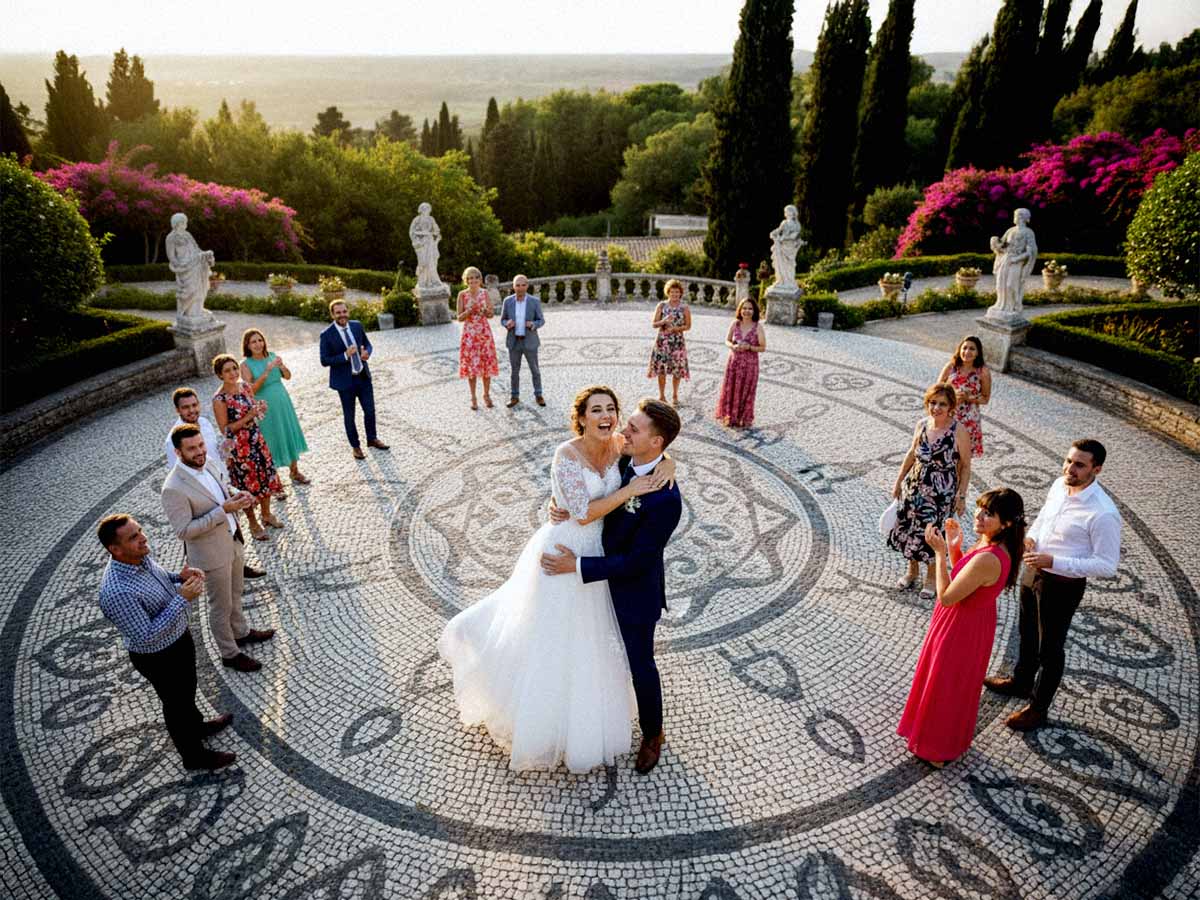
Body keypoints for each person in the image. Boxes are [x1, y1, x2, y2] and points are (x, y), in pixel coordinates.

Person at [438, 387, 676, 773]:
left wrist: (671, 463)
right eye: (598, 410)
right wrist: (623, 491)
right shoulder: (576, 454)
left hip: (617, 574)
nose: (612, 419)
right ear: (580, 417)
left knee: (633, 658)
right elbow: (582, 512)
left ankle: (653, 733)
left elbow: (655, 453)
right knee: (556, 638)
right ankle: (549, 714)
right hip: (567, 551)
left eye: (613, 411)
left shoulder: (624, 450)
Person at [542, 398, 684, 775]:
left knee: (641, 664)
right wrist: (558, 505)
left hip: (633, 590)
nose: (623, 431)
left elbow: (638, 561)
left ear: (656, 443)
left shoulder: (667, 498)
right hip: (593, 579)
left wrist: (578, 566)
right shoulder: (621, 457)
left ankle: (653, 733)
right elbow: (585, 488)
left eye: (633, 429)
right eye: (629, 424)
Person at [984, 439, 1121, 732]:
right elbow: (1044, 518)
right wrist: (1032, 536)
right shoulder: (1059, 485)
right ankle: (1021, 682)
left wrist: (1055, 561)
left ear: (1097, 469)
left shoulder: (1103, 513)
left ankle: (1038, 708)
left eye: (1080, 465)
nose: (1070, 468)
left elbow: (1107, 565)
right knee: (1027, 632)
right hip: (1035, 570)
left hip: (1062, 585)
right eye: (1069, 461)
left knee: (1051, 649)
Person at [97, 513, 237, 771]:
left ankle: (197, 727)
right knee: (176, 705)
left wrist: (178, 577)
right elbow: (146, 635)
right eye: (133, 537)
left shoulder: (138, 557)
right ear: (114, 549)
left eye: (139, 531)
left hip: (178, 639)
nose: (143, 538)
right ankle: (193, 756)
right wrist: (182, 598)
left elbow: (158, 580)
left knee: (187, 692)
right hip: (158, 657)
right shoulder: (117, 591)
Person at [897, 489, 1025, 767]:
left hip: (961, 625)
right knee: (951, 682)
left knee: (946, 684)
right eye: (980, 508)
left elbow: (947, 595)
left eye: (988, 513)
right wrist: (955, 547)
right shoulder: (991, 543)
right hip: (970, 619)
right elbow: (965, 580)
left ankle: (937, 748)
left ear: (1007, 523)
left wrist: (940, 554)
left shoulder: (989, 557)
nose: (979, 515)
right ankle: (944, 739)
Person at [161, 424, 276, 673]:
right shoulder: (173, 487)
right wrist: (222, 511)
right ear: (178, 452)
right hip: (210, 554)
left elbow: (224, 489)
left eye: (201, 445)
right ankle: (229, 653)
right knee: (220, 605)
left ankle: (241, 632)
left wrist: (238, 494)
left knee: (236, 594)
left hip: (233, 540)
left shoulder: (210, 462)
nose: (199, 451)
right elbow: (183, 531)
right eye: (191, 449)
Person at [164, 387, 266, 580]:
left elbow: (213, 453)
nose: (192, 410)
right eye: (186, 407)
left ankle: (237, 565)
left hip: (218, 481)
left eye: (194, 405)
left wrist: (226, 453)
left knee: (231, 526)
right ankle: (203, 573)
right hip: (200, 492)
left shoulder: (204, 423)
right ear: (178, 410)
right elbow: (178, 473)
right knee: (207, 534)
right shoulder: (173, 441)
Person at [887, 383, 973, 599]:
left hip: (940, 494)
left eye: (942, 404)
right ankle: (911, 572)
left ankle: (932, 578)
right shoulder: (922, 425)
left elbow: (965, 466)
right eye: (933, 403)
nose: (936, 408)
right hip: (914, 489)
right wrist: (898, 481)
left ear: (951, 406)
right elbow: (911, 453)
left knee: (933, 535)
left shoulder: (958, 431)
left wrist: (961, 496)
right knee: (910, 531)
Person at [211, 354, 281, 540]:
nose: (233, 373)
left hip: (257, 440)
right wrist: (249, 416)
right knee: (246, 485)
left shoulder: (244, 388)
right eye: (227, 371)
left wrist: (259, 410)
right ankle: (253, 523)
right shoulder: (220, 399)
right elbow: (225, 429)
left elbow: (253, 413)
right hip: (239, 449)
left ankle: (266, 515)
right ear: (220, 375)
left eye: (235, 368)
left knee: (265, 476)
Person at [240, 329, 310, 488]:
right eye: (253, 342)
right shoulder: (244, 365)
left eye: (260, 340)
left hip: (282, 402)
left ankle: (294, 471)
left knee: (287, 432)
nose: (258, 344)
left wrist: (283, 366)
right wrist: (267, 371)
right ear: (247, 345)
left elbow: (287, 376)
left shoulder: (272, 355)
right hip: (264, 407)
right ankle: (275, 481)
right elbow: (250, 390)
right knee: (270, 439)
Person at [320, 300, 389, 460]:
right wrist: (345, 355)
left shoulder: (357, 326)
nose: (342, 315)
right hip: (345, 382)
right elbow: (324, 360)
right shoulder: (327, 334)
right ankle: (355, 447)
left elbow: (367, 344)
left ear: (348, 311)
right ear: (333, 314)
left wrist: (367, 353)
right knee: (349, 416)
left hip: (363, 376)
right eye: (338, 312)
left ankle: (372, 439)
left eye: (344, 311)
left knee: (370, 410)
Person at [715, 298, 766, 427]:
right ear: (740, 310)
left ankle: (744, 417)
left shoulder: (758, 326)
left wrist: (750, 347)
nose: (747, 311)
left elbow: (763, 347)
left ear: (754, 311)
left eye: (750, 308)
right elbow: (727, 340)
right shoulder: (735, 324)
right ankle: (730, 416)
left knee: (746, 389)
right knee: (731, 388)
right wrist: (732, 346)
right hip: (734, 362)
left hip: (750, 364)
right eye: (744, 308)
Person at [937, 336, 991, 458]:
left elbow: (985, 398)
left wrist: (969, 398)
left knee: (962, 457)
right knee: (942, 453)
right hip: (948, 415)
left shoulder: (983, 371)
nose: (967, 352)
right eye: (964, 348)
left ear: (978, 353)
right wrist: (952, 394)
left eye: (972, 349)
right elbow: (937, 389)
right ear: (959, 349)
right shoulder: (951, 366)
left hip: (969, 421)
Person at [456, 266, 500, 410]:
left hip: (483, 333)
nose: (473, 280)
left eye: (476, 277)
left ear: (480, 280)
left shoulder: (484, 293)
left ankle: (486, 395)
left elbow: (491, 314)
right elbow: (459, 318)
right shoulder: (462, 295)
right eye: (470, 278)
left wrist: (483, 311)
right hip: (470, 334)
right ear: (466, 280)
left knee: (486, 365)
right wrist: (469, 311)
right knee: (471, 367)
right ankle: (473, 397)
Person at [500, 273, 545, 408]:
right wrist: (507, 323)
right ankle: (514, 396)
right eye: (517, 285)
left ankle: (539, 394)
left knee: (535, 370)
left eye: (523, 285)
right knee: (514, 371)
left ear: (527, 286)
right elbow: (502, 319)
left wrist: (533, 324)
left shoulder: (534, 301)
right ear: (513, 286)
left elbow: (541, 320)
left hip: (530, 341)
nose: (520, 288)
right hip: (514, 342)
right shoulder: (507, 301)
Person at [647, 280, 691, 407]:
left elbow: (688, 326)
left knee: (677, 369)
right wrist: (664, 321)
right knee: (662, 369)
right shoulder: (661, 306)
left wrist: (675, 329)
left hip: (677, 342)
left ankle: (675, 395)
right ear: (668, 292)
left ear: (680, 293)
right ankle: (661, 395)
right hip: (663, 342)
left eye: (677, 292)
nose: (675, 294)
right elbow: (654, 324)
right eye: (672, 292)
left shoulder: (684, 308)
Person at [164, 212, 215, 320]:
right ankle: (187, 312)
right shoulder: (170, 238)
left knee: (200, 288)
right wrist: (181, 265)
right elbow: (171, 256)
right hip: (185, 268)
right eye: (183, 222)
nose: (185, 224)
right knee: (190, 289)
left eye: (185, 222)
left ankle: (198, 309)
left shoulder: (187, 235)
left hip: (196, 265)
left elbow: (197, 249)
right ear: (177, 223)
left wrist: (206, 255)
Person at [989, 207, 1038, 318]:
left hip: (1016, 262)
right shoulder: (1010, 230)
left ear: (1022, 217)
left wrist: (1017, 259)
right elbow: (1002, 245)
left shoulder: (1028, 232)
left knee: (1011, 285)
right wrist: (995, 245)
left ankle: (1013, 307)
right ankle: (1000, 305)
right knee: (1000, 284)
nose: (1014, 217)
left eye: (1016, 215)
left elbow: (1031, 252)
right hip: (1006, 260)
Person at [769, 204, 803, 289]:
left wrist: (783, 238)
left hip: (790, 248)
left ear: (792, 212)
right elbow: (778, 230)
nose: (786, 213)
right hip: (781, 247)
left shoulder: (797, 225)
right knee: (780, 264)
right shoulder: (784, 223)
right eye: (785, 211)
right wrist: (773, 233)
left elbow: (794, 237)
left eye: (787, 211)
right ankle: (781, 280)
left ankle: (789, 281)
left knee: (789, 266)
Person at [409, 202, 441, 289]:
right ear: (421, 210)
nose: (427, 210)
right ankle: (423, 281)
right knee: (423, 262)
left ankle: (431, 281)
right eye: (425, 209)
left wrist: (435, 234)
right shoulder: (417, 220)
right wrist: (417, 240)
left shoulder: (431, 219)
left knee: (431, 262)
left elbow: (436, 230)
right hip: (422, 244)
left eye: (428, 209)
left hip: (430, 243)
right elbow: (412, 232)